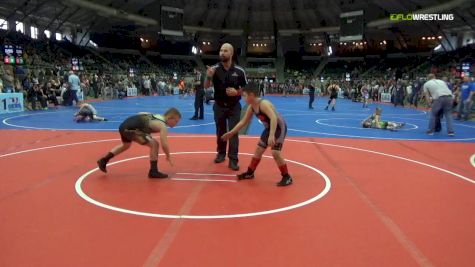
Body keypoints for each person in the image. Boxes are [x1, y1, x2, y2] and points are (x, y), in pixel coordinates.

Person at [221, 83, 293, 186]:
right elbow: (243, 122)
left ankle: (287, 177)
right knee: (259, 150)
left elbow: (273, 118)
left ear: (251, 95)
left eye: (244, 95)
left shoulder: (263, 104)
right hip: (269, 128)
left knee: (275, 153)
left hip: (278, 128)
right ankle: (250, 173)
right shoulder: (251, 107)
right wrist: (231, 133)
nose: (243, 98)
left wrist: (272, 135)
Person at [96, 108, 181, 178]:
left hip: (124, 126)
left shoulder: (157, 116)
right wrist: (168, 156)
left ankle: (103, 160)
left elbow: (141, 113)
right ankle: (153, 171)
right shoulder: (162, 125)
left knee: (125, 145)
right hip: (130, 129)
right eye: (176, 121)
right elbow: (164, 143)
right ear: (170, 117)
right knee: (155, 144)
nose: (176, 124)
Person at [205, 43, 247, 171]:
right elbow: (206, 86)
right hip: (219, 106)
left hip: (234, 107)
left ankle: (233, 160)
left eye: (225, 51)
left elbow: (246, 89)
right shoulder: (214, 69)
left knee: (233, 133)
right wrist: (208, 76)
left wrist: (237, 92)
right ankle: (221, 153)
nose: (222, 53)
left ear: (231, 53)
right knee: (220, 132)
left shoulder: (239, 71)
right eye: (221, 50)